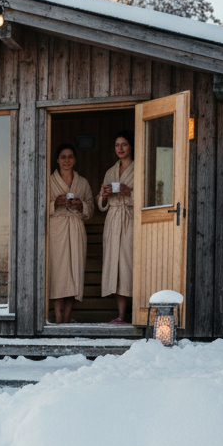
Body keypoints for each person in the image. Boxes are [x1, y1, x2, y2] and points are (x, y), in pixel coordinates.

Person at [48, 143, 94, 324]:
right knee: (59, 272)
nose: (66, 160)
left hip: (75, 228)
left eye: (70, 157)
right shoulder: (49, 181)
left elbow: (90, 208)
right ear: (57, 160)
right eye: (63, 157)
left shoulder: (82, 182)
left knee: (74, 272)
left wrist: (80, 205)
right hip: (57, 229)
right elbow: (40, 205)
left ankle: (67, 316)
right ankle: (58, 316)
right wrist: (55, 204)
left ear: (75, 159)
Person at [98, 130, 135, 323]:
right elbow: (100, 203)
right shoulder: (110, 171)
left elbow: (150, 197)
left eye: (124, 144)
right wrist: (104, 196)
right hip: (113, 220)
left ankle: (137, 312)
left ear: (132, 146)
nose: (120, 148)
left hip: (129, 220)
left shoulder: (140, 168)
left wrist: (130, 193)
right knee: (116, 268)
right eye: (117, 145)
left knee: (128, 264)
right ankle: (121, 315)